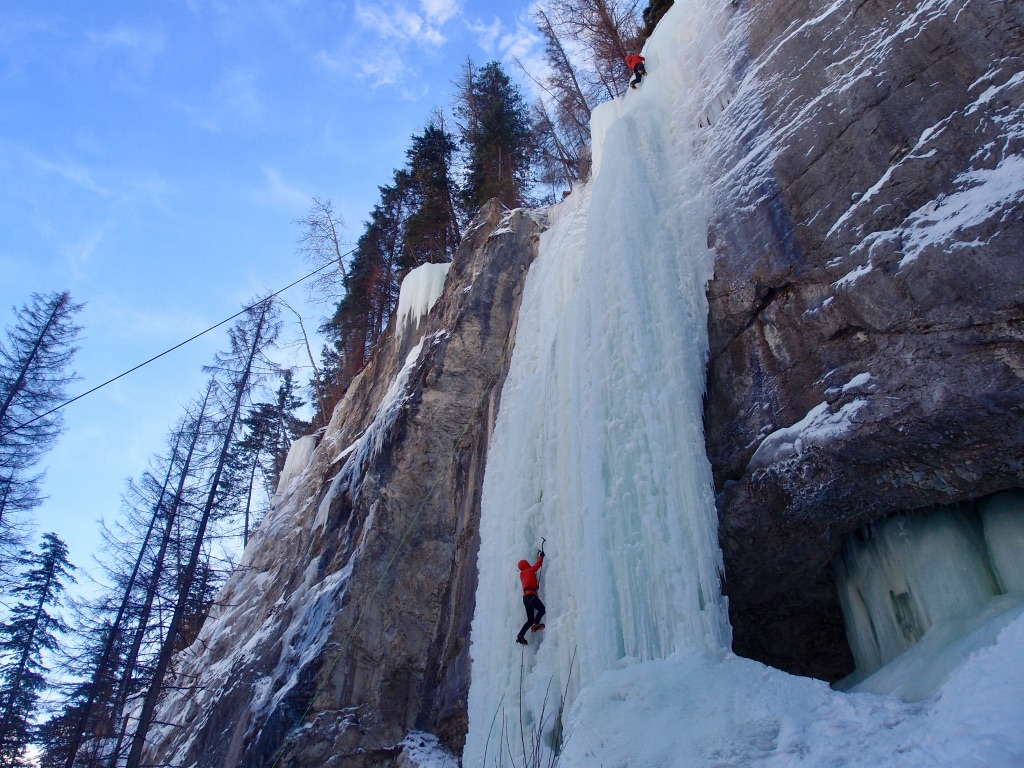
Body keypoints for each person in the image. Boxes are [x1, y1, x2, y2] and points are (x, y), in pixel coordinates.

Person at [515, 548, 546, 645]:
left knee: (529, 620)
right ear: (526, 564)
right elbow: (538, 565)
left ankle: (520, 635)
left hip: (525, 599)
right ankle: (536, 624)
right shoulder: (529, 570)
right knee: (542, 609)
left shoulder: (522, 574)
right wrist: (541, 556)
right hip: (531, 596)